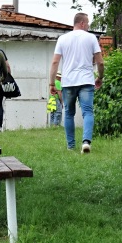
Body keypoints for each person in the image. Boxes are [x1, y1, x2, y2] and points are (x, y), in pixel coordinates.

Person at [49, 12, 104, 153]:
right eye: (88, 23)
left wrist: (52, 83)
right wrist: (100, 77)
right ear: (82, 23)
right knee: (88, 112)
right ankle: (86, 142)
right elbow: (100, 62)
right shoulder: (91, 38)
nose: (89, 26)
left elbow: (55, 61)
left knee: (68, 113)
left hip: (68, 82)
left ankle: (70, 146)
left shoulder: (62, 39)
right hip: (86, 80)